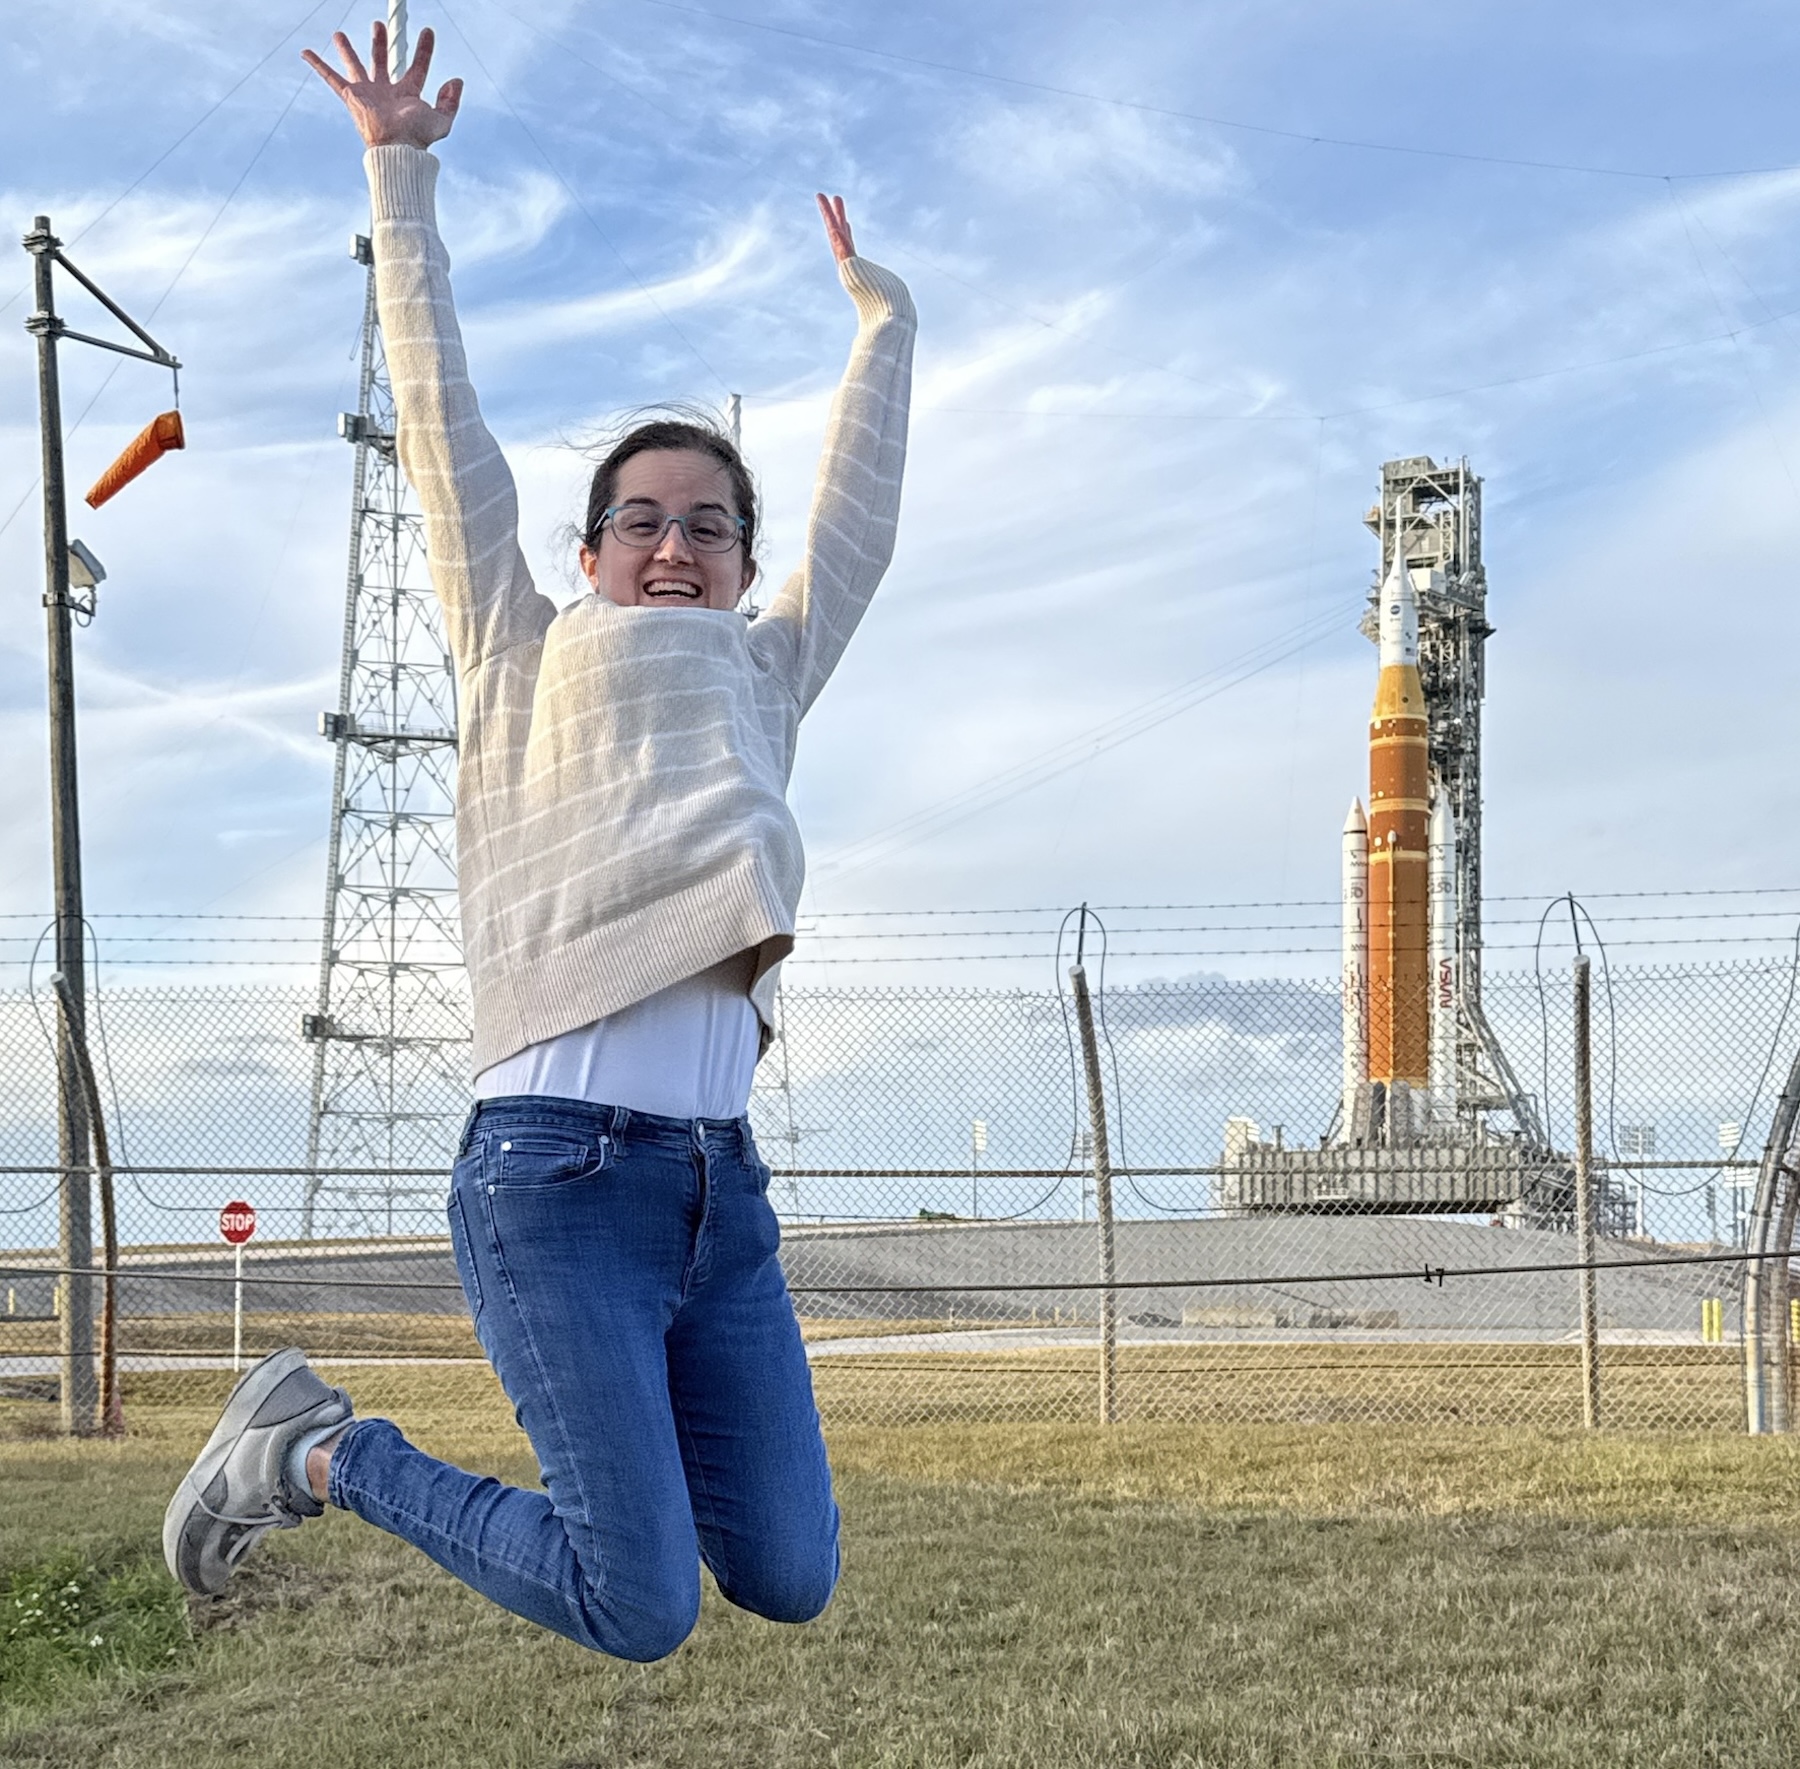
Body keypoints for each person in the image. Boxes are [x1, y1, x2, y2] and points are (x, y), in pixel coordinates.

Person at [163, 20, 916, 1662]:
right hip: (555, 1179)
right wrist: (399, 173)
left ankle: (496, 1456)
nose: (673, 544)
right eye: (640, 518)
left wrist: (884, 325)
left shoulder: (768, 672)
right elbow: (441, 425)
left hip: (728, 1191)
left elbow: (855, 519)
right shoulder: (518, 647)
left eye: (709, 525)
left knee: (787, 1571)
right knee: (636, 1601)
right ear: (589, 555)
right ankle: (315, 1449)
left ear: (739, 565)